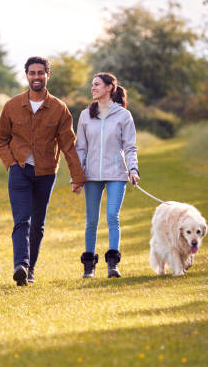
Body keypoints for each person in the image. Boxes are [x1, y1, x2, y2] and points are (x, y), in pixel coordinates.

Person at [0, 56, 86, 286]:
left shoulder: (59, 109)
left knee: (38, 223)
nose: (36, 77)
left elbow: (68, 145)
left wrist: (77, 176)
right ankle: (21, 266)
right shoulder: (12, 106)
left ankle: (30, 269)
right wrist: (11, 163)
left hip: (46, 173)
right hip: (19, 170)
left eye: (40, 73)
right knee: (21, 219)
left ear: (47, 75)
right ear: (26, 76)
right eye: (32, 73)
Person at [74, 72, 140, 278]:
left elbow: (130, 147)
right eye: (92, 85)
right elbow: (80, 149)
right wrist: (76, 177)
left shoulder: (123, 116)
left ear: (110, 87)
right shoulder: (86, 115)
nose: (92, 88)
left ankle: (113, 265)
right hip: (91, 175)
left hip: (116, 174)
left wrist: (133, 169)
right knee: (91, 221)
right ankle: (89, 267)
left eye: (97, 85)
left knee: (112, 216)